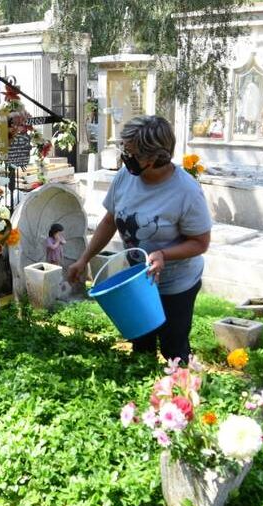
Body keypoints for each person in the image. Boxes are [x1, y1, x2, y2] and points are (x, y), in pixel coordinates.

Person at [67, 115, 212, 362]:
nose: (126, 158)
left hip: (175, 284)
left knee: (173, 351)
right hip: (137, 282)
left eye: (132, 153)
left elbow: (200, 242)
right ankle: (142, 395)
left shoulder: (186, 191)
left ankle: (178, 396)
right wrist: (84, 259)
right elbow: (110, 221)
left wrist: (164, 254)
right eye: (125, 150)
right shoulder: (126, 177)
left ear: (156, 156)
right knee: (140, 342)